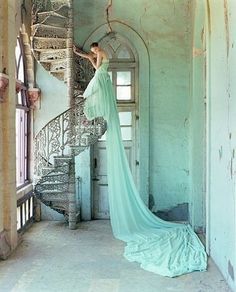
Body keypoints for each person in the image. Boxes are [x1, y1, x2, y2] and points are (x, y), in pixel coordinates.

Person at [73, 41, 207, 277]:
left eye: (93, 51)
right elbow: (94, 64)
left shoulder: (103, 54)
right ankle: (90, 115)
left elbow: (98, 66)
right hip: (101, 79)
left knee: (92, 93)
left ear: (97, 48)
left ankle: (91, 115)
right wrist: (80, 54)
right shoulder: (98, 56)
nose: (94, 53)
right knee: (89, 95)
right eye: (93, 52)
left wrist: (86, 57)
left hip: (103, 81)